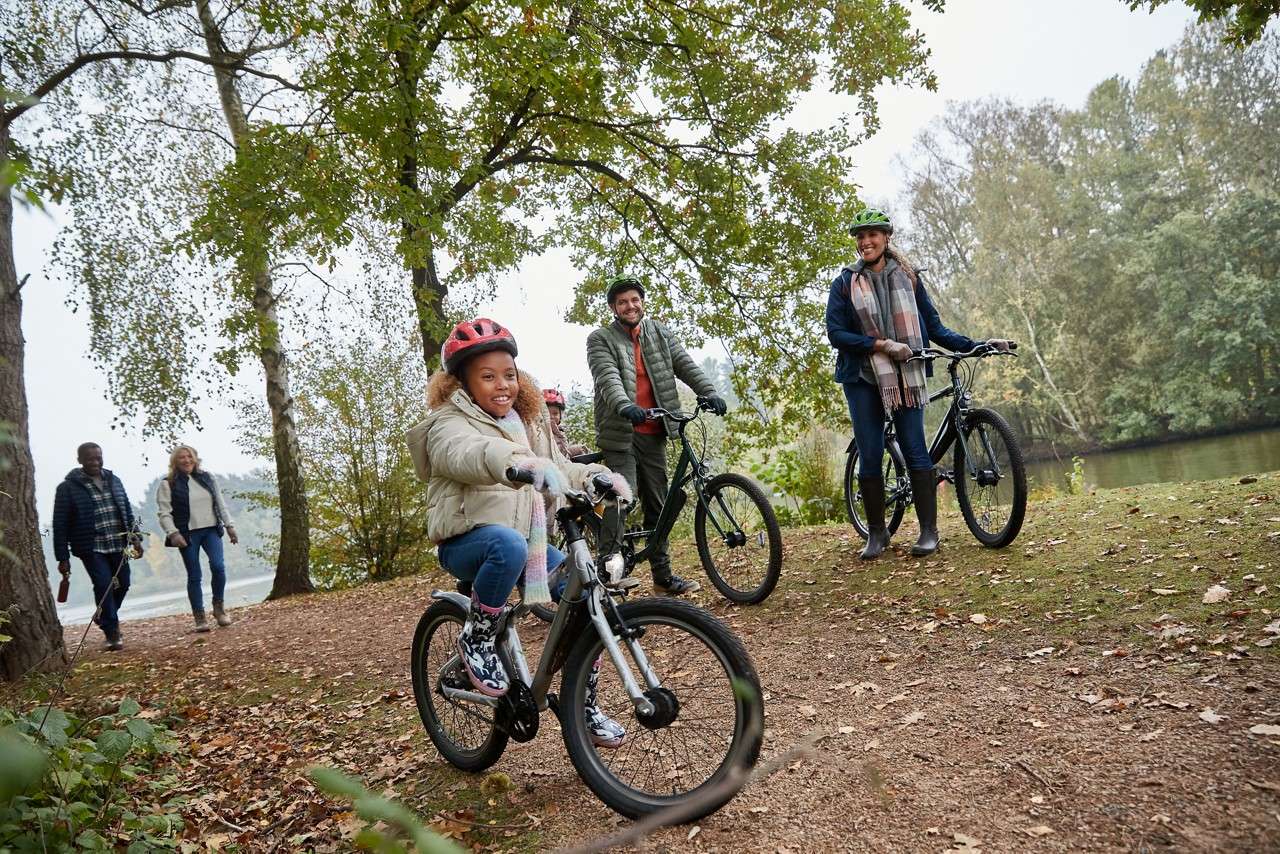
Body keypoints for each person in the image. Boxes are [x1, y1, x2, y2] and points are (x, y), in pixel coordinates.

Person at [407, 318, 631, 747]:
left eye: (508, 374)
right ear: (464, 383)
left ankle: (580, 701)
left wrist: (596, 478)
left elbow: (559, 467)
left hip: (528, 543)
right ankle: (477, 636)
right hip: (469, 539)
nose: (501, 384)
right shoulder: (448, 423)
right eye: (487, 377)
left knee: (586, 592)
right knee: (506, 544)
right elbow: (471, 454)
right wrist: (519, 464)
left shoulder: (529, 420)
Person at [826, 208, 1012, 560]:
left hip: (907, 376)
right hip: (863, 377)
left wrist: (980, 344)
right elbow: (836, 333)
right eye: (860, 237)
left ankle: (929, 531)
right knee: (870, 452)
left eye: (872, 235)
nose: (866, 241)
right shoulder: (846, 282)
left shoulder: (909, 278)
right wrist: (881, 345)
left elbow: (936, 330)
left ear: (886, 238)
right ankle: (877, 534)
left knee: (915, 449)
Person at [586, 274, 728, 596]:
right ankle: (608, 574)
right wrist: (625, 406)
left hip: (655, 430)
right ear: (613, 307)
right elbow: (608, 377)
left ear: (642, 302)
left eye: (634, 299)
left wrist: (709, 392)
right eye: (622, 301)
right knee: (622, 497)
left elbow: (685, 365)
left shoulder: (659, 334)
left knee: (660, 505)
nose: (629, 305)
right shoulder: (600, 339)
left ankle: (662, 578)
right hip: (621, 433)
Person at [52, 443, 143, 651]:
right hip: (91, 547)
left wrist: (136, 537)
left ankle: (103, 614)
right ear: (80, 460)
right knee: (103, 585)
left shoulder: (114, 480)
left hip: (119, 544)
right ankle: (112, 632)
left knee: (124, 583)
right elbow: (60, 524)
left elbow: (127, 511)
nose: (94, 461)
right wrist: (62, 557)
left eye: (98, 457)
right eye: (89, 458)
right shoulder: (67, 488)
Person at [156, 445, 239, 632]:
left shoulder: (208, 478)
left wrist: (230, 526)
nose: (186, 460)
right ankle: (199, 617)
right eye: (181, 458)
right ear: (175, 462)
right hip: (187, 534)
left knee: (218, 566)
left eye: (189, 456)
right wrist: (173, 533)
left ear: (195, 458)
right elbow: (164, 513)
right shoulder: (167, 484)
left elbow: (220, 503)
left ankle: (219, 608)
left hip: (211, 530)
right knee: (195, 575)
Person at [542, 388, 590, 458]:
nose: (552, 416)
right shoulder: (539, 433)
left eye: (555, 413)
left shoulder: (559, 432)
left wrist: (578, 449)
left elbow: (563, 454)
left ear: (560, 415)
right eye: (547, 413)